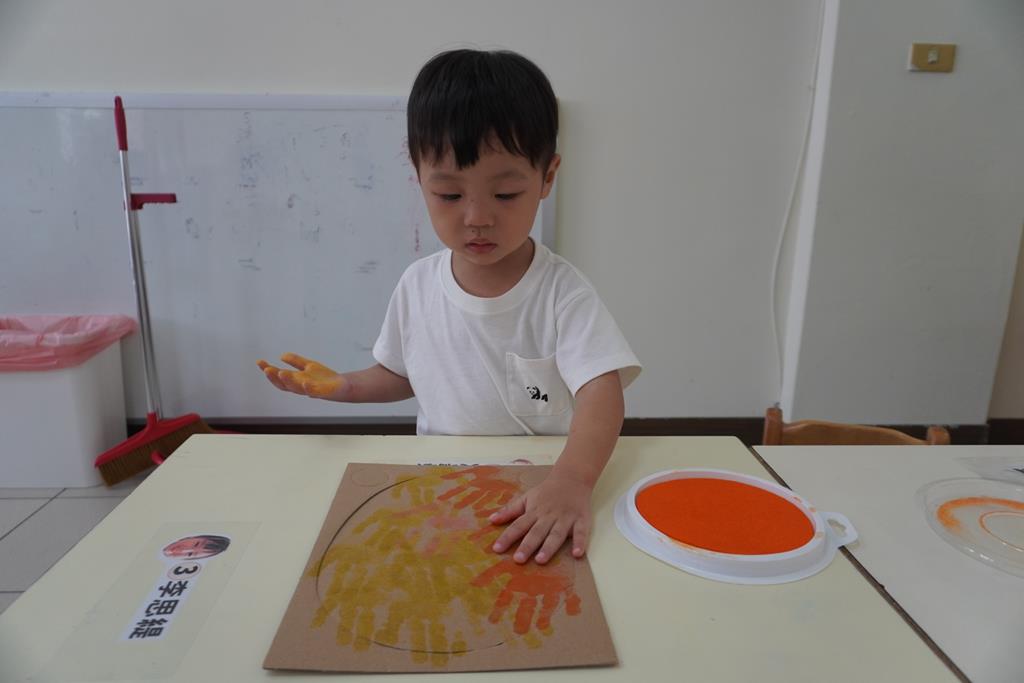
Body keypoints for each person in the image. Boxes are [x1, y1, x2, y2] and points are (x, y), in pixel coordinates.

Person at [258, 49, 640, 565]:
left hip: (542, 485)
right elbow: (403, 374)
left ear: (547, 177)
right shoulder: (417, 285)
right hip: (442, 477)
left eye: (506, 194)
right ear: (417, 175)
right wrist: (344, 386)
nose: (477, 217)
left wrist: (571, 481)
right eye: (449, 195)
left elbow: (602, 393)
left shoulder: (561, 292)